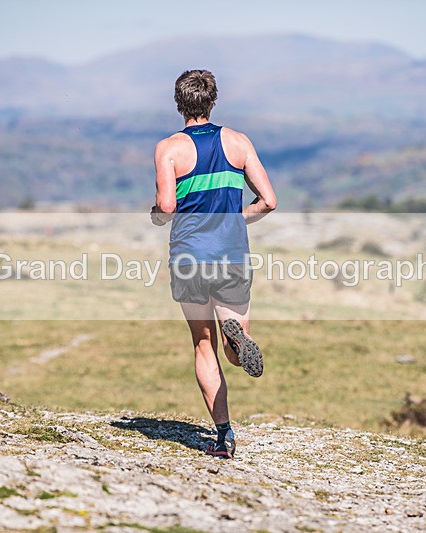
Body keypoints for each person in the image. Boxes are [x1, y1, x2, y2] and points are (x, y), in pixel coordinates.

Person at [151, 69, 277, 458]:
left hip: (190, 256)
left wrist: (156, 215)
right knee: (231, 348)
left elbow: (168, 206)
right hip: (232, 252)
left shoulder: (168, 148)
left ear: (179, 103)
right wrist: (239, 217)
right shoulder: (238, 142)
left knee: (202, 344)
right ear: (213, 101)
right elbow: (269, 200)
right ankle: (239, 339)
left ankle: (224, 437)